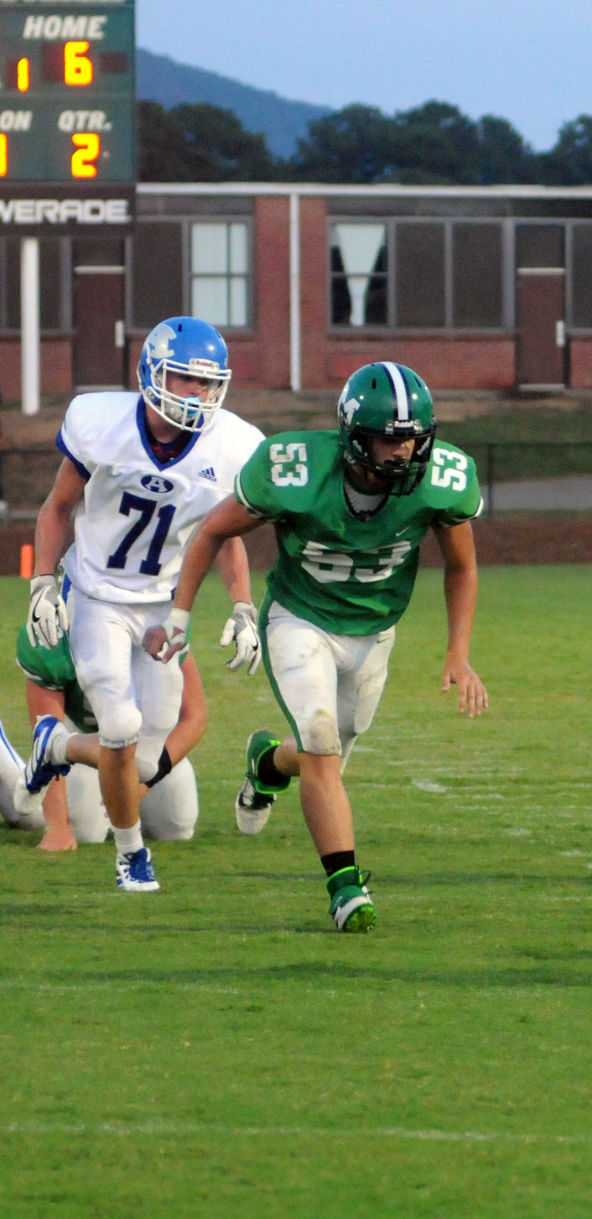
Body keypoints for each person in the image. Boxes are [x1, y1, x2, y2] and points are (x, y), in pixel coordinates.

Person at [147, 361, 487, 932]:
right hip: (299, 619)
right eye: (388, 439)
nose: (403, 453)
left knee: (320, 753)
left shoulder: (441, 480)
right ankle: (346, 888)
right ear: (354, 435)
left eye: (412, 440)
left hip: (375, 630)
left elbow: (462, 565)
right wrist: (182, 612)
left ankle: (265, 764)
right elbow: (213, 530)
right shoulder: (296, 469)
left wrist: (459, 651)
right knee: (321, 745)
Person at [26, 317, 263, 892]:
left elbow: (226, 534)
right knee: (121, 722)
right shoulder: (101, 424)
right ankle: (131, 857)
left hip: (165, 609)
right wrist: (42, 582)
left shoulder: (232, 446)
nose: (198, 394)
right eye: (185, 379)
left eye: (207, 383)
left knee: (149, 746)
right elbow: (59, 507)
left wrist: (243, 606)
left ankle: (55, 744)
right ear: (153, 372)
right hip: (98, 595)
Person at [7, 615, 208, 850]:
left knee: (176, 825)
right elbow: (46, 724)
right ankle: (55, 758)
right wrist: (58, 826)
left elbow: (193, 715)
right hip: (83, 746)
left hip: (149, 747)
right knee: (85, 831)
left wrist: (146, 781)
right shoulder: (53, 633)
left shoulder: (156, 617)